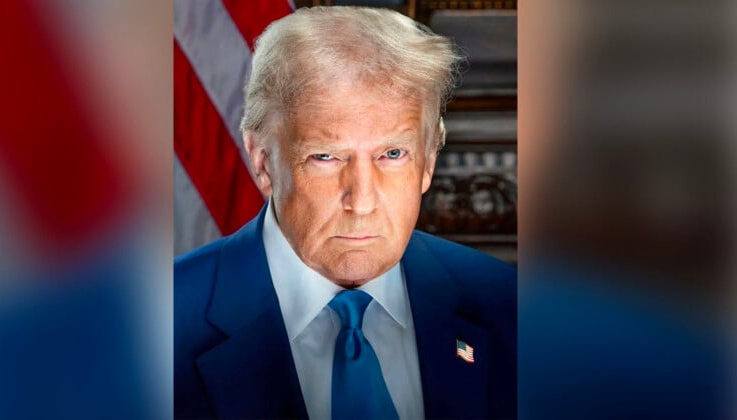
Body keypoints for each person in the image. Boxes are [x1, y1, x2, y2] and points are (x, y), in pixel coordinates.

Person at [175, 6, 516, 419]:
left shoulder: (515, 309)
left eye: (392, 154)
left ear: (428, 162)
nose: (363, 201)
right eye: (326, 156)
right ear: (263, 162)